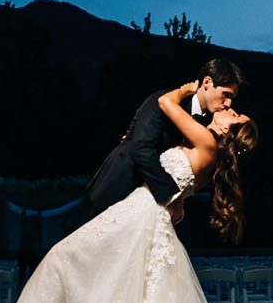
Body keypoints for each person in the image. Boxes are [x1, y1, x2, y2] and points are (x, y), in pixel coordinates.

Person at [0, 78, 273, 303]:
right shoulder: (207, 149)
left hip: (141, 215)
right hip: (146, 214)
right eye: (230, 104)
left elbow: (165, 104)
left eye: (235, 114)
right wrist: (177, 199)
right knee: (118, 300)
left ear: (229, 132)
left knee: (66, 259)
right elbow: (178, 182)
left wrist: (188, 89)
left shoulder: (205, 140)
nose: (230, 108)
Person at [77, 58, 242, 222]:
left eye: (232, 98)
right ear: (207, 83)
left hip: (148, 208)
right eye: (226, 94)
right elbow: (140, 148)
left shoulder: (206, 128)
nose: (228, 103)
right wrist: (171, 195)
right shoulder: (166, 98)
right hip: (118, 183)